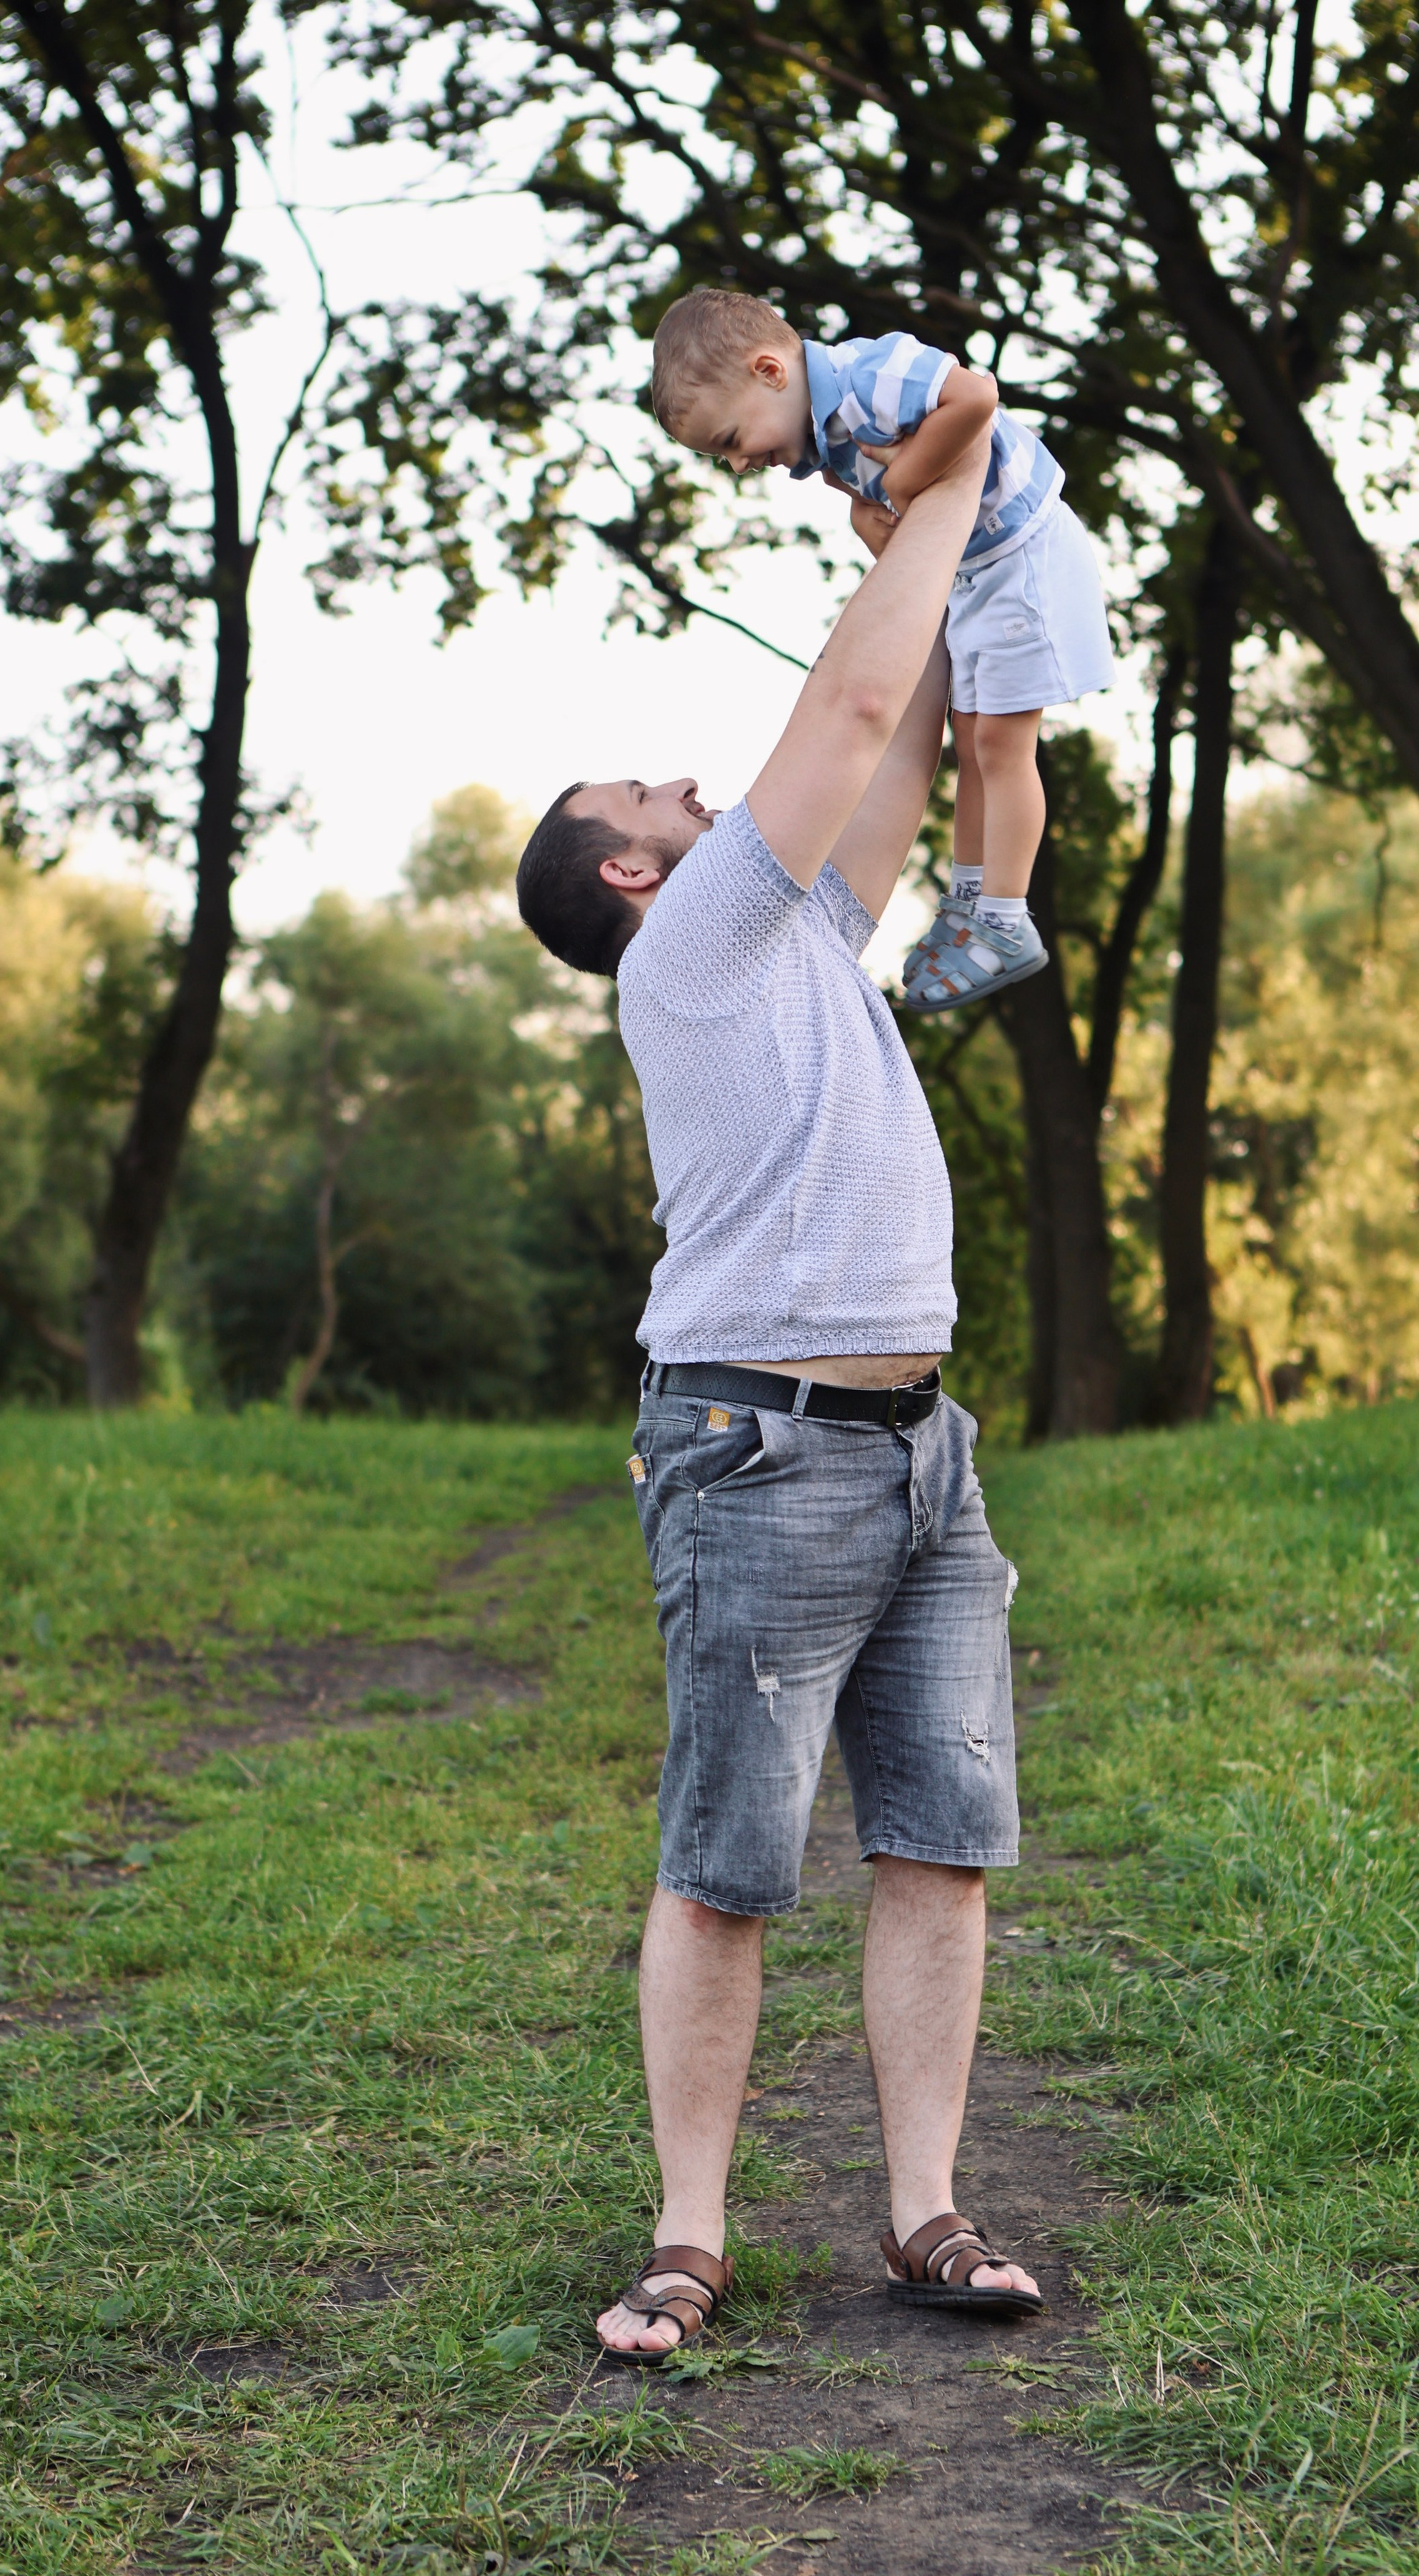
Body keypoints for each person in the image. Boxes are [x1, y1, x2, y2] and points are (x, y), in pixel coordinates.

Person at [514, 421, 1044, 2362]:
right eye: (648, 791)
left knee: (939, 1839)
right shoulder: (694, 948)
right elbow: (849, 700)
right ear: (633, 870)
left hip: (921, 1452)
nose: (686, 781)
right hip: (759, 1448)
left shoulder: (801, 921)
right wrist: (947, 485)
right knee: (729, 1857)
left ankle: (925, 2214)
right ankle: (687, 2240)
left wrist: (918, 536)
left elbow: (901, 739)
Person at [648, 285, 1114, 1017]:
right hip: (978, 570)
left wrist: (899, 479)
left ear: (770, 371)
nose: (737, 464)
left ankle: (1006, 916)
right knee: (972, 740)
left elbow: (976, 396)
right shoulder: (823, 441)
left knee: (1001, 744)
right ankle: (971, 901)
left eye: (730, 440)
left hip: (1021, 554)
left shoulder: (871, 375)